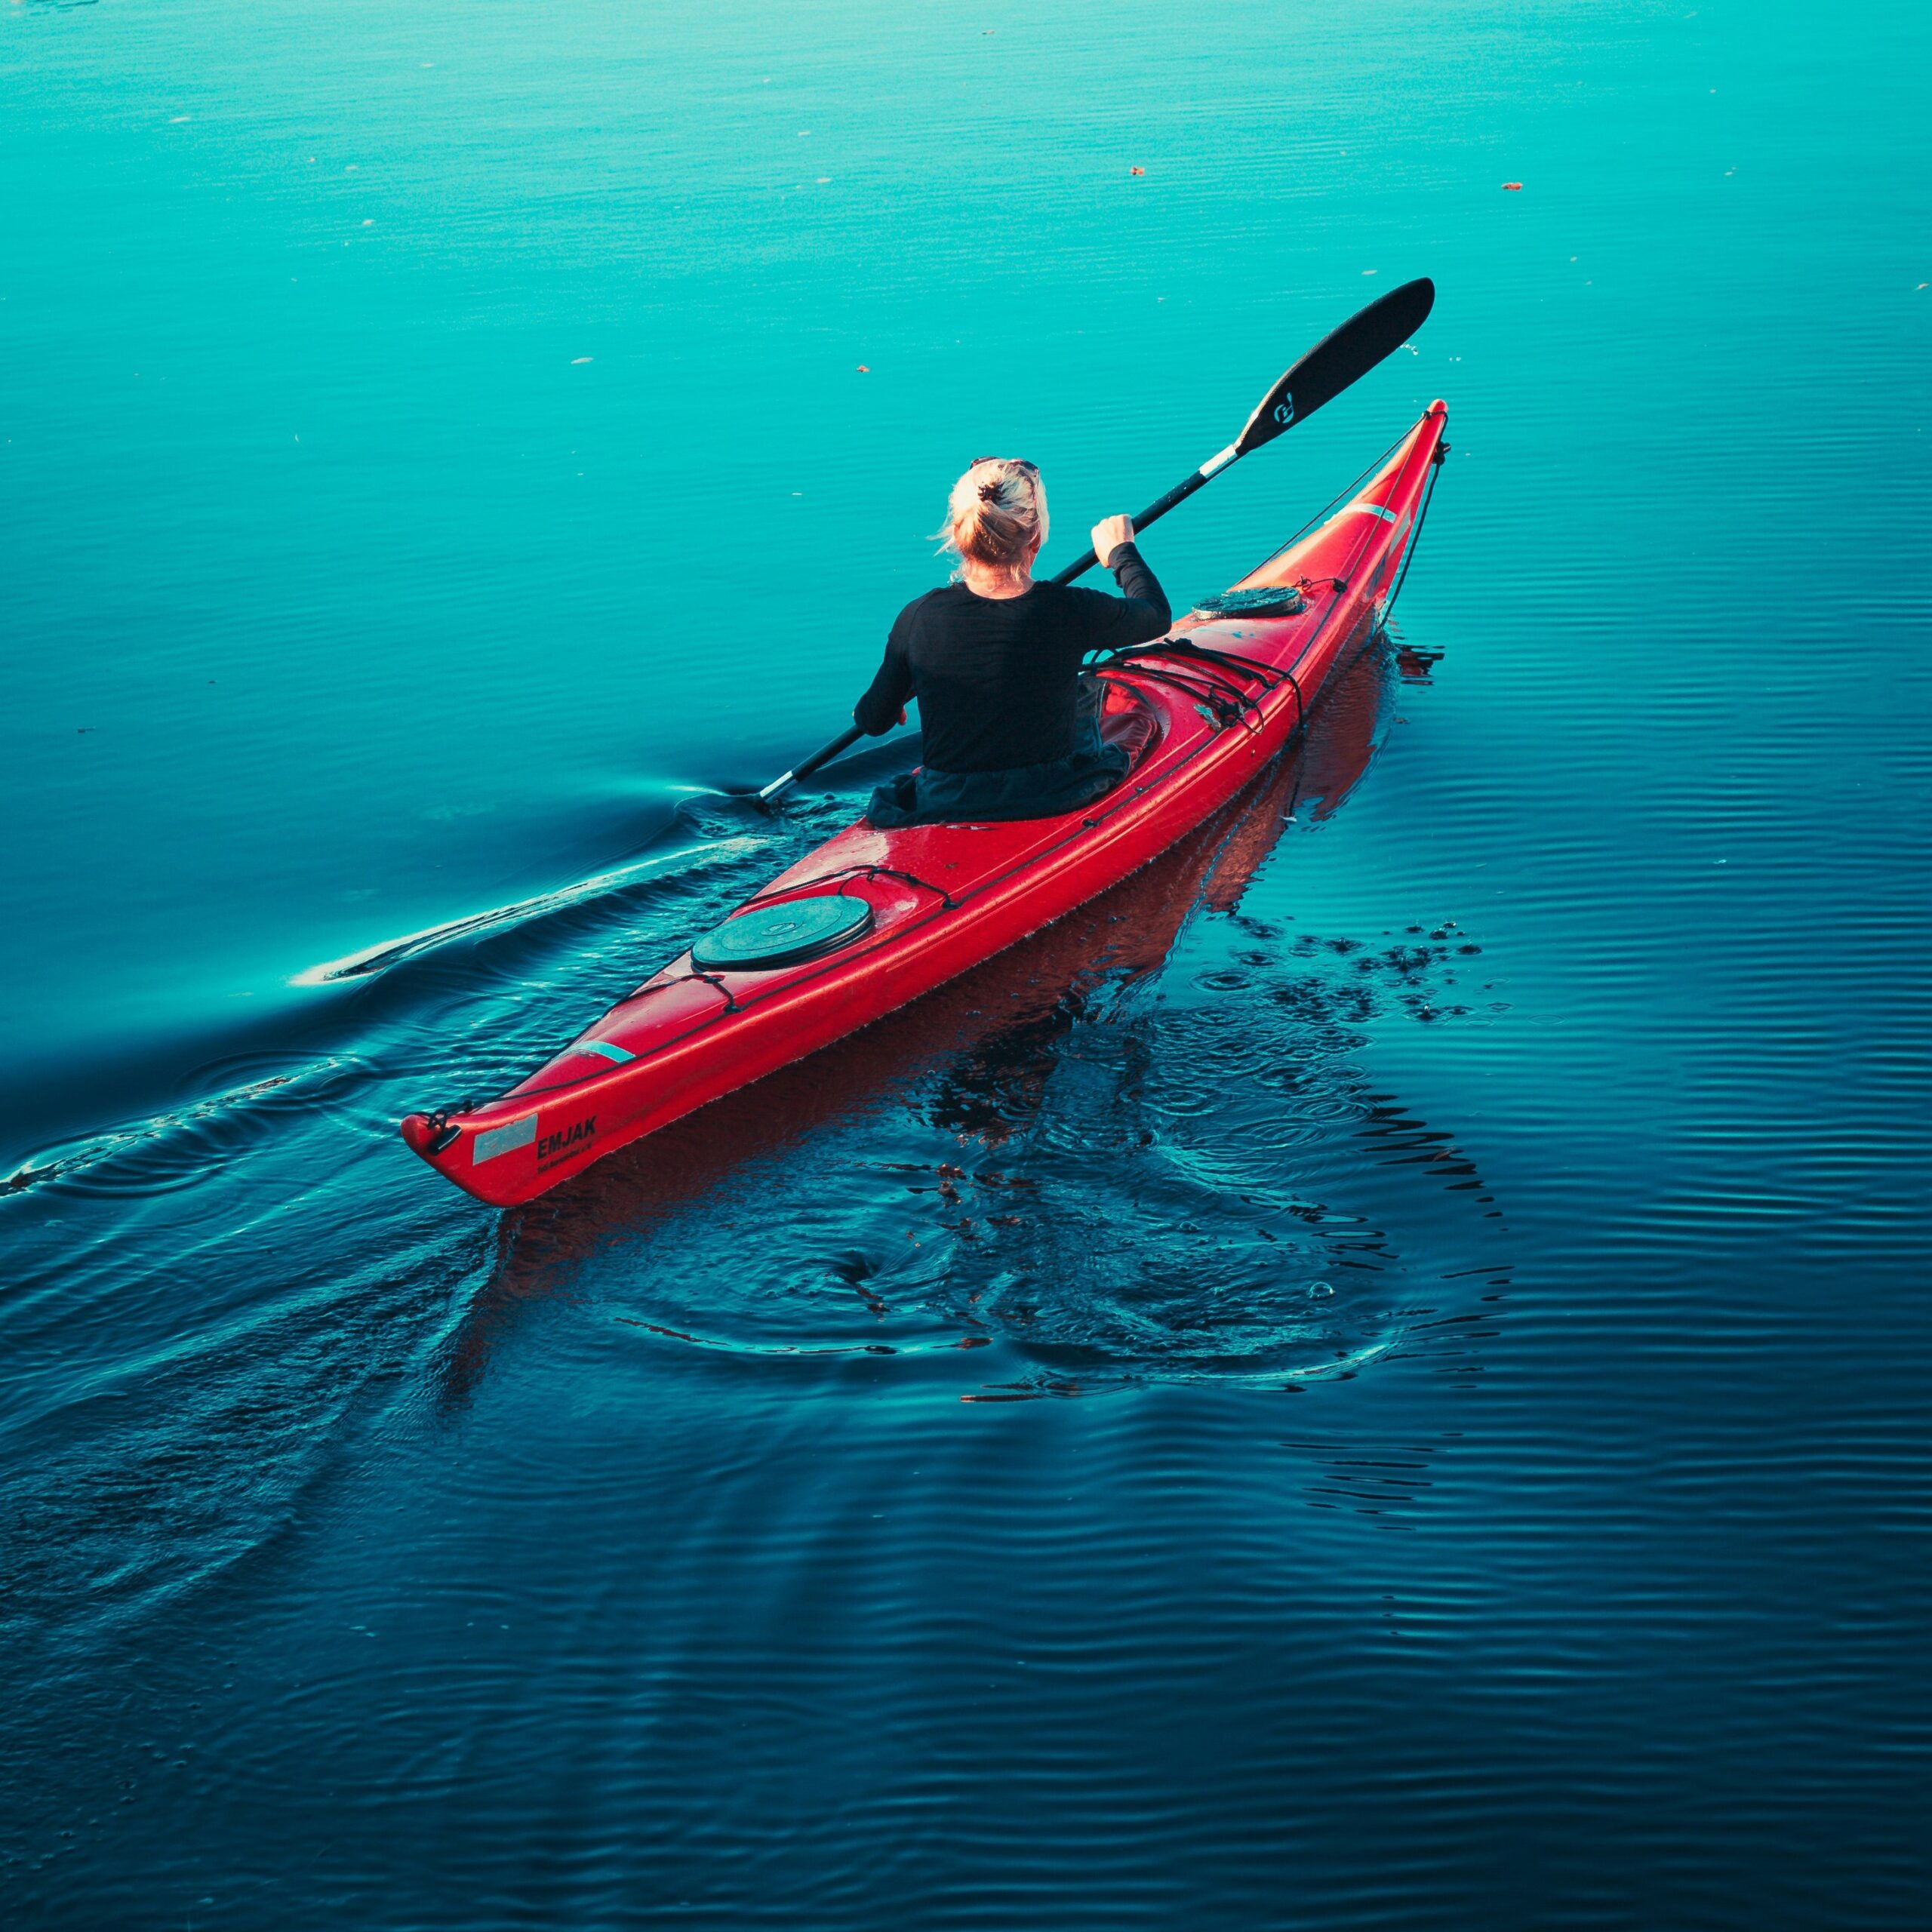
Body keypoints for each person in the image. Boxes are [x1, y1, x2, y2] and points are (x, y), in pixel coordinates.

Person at [853, 457, 1171, 827]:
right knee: (1087, 692)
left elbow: (871, 721)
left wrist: (902, 691)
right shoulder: (1070, 609)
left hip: (945, 800)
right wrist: (1121, 552)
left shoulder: (918, 617)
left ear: (958, 534)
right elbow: (1155, 614)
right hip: (1053, 793)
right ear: (1035, 535)